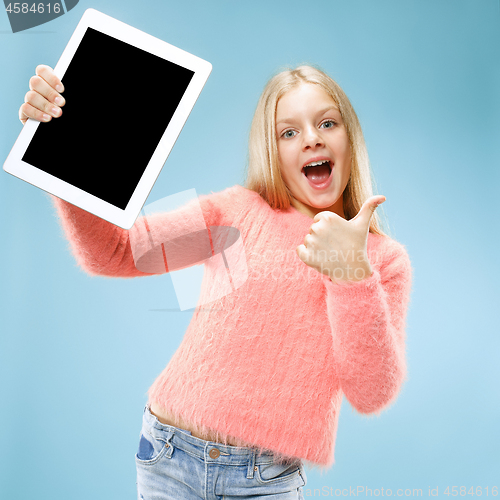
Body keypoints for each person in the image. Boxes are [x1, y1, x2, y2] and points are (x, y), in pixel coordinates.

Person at [19, 63, 413, 499]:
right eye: (288, 132)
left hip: (265, 480)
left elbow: (371, 392)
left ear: (348, 137)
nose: (312, 138)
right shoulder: (234, 211)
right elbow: (116, 252)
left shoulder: (382, 261)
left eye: (326, 123)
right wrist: (58, 152)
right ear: (272, 149)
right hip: (168, 454)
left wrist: (350, 273)